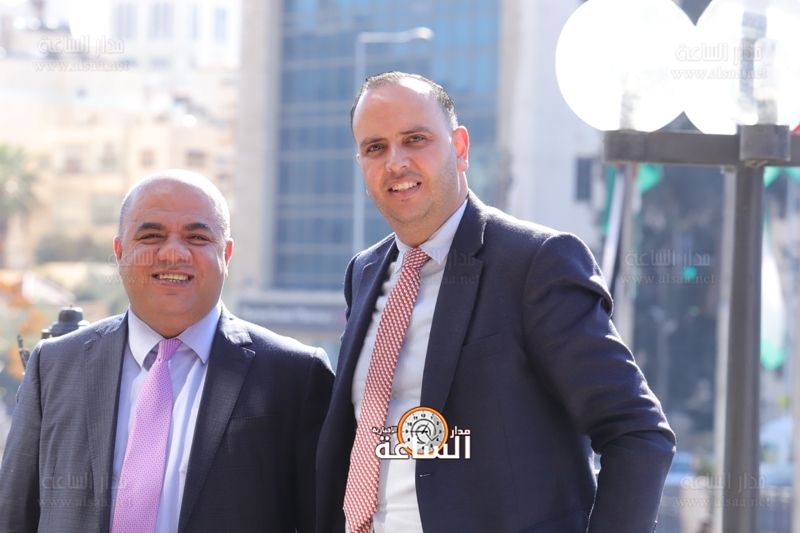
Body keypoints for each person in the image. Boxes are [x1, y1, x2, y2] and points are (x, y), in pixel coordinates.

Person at [315, 72, 675, 533]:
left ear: (460, 147)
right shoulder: (364, 272)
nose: (396, 162)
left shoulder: (536, 263)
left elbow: (637, 432)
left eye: (415, 139)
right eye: (375, 148)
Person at [0, 170, 334, 533]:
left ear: (226, 254)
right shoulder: (53, 366)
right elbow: (13, 516)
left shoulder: (296, 375)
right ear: (119, 252)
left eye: (197, 237)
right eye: (151, 236)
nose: (174, 252)